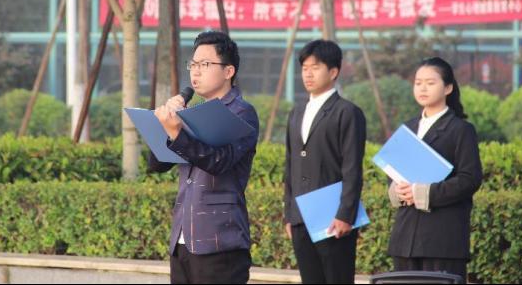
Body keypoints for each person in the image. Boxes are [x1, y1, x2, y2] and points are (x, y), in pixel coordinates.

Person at [149, 31, 259, 284]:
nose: (195, 72)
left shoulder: (242, 112)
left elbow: (218, 161)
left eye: (205, 64)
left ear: (228, 71)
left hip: (220, 242)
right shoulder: (191, 113)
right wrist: (163, 127)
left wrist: (177, 132)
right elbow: (157, 165)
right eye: (193, 64)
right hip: (183, 240)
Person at [387, 57, 483, 282]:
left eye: (430, 83)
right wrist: (398, 189)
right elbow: (392, 174)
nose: (422, 88)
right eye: (418, 83)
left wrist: (423, 192)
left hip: (442, 240)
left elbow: (470, 179)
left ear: (448, 88)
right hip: (405, 239)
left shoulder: (461, 130)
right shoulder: (408, 128)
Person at [283, 39, 366, 284]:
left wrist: (345, 215)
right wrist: (289, 215)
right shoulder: (296, 113)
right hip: (300, 219)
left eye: (315, 67)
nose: (308, 74)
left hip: (333, 219)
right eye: (304, 68)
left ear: (333, 72)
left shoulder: (347, 112)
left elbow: (352, 168)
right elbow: (290, 166)